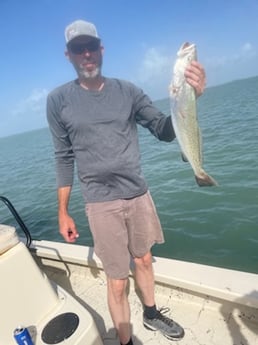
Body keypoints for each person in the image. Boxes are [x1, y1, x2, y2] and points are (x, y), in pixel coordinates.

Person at [47, 19, 206, 345]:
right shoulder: (58, 100)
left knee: (145, 260)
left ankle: (151, 314)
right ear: (69, 55)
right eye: (79, 49)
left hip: (138, 194)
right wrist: (63, 211)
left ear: (101, 49)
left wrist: (189, 96)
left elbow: (163, 130)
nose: (87, 54)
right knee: (117, 280)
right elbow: (63, 157)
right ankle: (125, 339)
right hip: (100, 201)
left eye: (91, 46)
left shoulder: (128, 90)